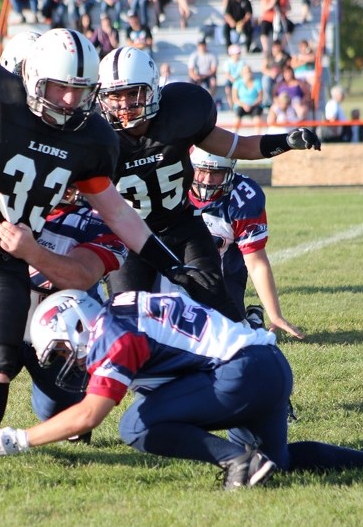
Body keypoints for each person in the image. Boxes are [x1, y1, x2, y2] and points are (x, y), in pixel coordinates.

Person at [0, 29, 213, 496]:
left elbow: (113, 217)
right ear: (33, 77)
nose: (69, 99)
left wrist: (169, 264)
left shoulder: (93, 143)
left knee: (50, 400)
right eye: (60, 87)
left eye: (80, 90)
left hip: (25, 286)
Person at [0, 289, 363, 490]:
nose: (66, 358)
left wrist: (20, 438)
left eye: (60, 349)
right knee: (277, 463)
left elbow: (91, 415)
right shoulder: (124, 306)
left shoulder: (115, 334)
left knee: (135, 426)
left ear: (75, 322)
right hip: (267, 368)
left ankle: (235, 462)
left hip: (241, 374)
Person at [97, 47, 319, 323]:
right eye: (115, 96)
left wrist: (286, 141)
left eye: (133, 93)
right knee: (127, 318)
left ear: (153, 90)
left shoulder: (178, 116)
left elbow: (242, 147)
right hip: (128, 235)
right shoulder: (97, 136)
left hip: (180, 226)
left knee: (219, 310)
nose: (125, 104)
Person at [0, 189, 127, 436]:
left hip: (61, 333)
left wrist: (31, 251)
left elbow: (80, 276)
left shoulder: (97, 220)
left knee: (62, 412)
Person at [188, 147, 303, 338]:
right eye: (202, 171)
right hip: (180, 268)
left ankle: (253, 317)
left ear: (229, 171)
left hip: (224, 270)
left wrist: (275, 314)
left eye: (216, 172)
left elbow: (256, 262)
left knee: (228, 336)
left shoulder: (242, 198)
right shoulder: (173, 188)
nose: (207, 180)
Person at [232, 64, 264, 131]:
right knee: (238, 115)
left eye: (249, 71)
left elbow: (260, 97)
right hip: (241, 105)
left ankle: (258, 137)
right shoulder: (237, 83)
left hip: (255, 105)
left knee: (257, 117)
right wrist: (244, 105)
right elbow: (235, 99)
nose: (248, 73)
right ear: (242, 73)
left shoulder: (257, 82)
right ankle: (233, 137)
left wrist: (251, 105)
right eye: (246, 72)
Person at [222, 44, 246, 110]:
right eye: (237, 53)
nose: (238, 55)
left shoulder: (242, 62)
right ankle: (231, 106)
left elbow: (243, 73)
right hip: (231, 80)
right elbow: (227, 74)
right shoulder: (227, 62)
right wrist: (233, 80)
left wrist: (236, 81)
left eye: (239, 53)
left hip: (239, 80)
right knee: (228, 89)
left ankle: (239, 105)